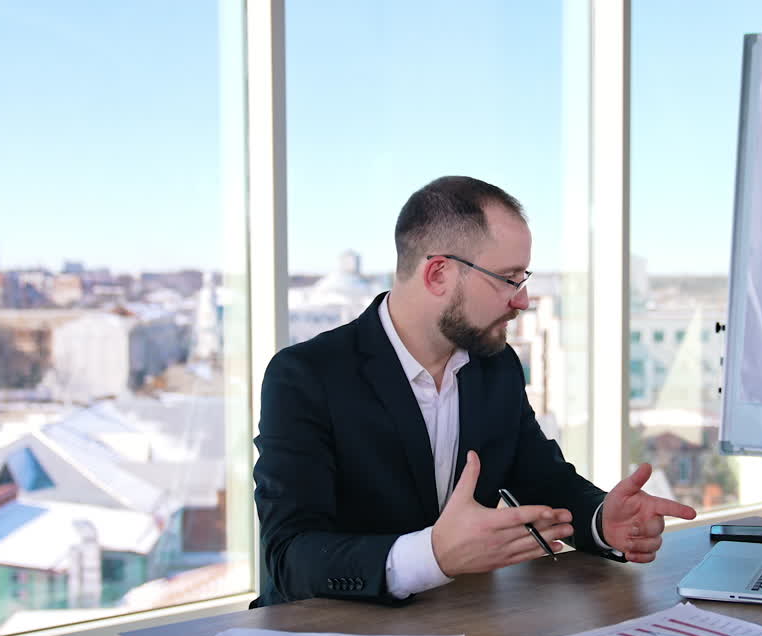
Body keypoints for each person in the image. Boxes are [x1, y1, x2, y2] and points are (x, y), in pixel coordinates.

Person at [251, 175, 696, 606]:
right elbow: (290, 556)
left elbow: (541, 478)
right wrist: (433, 556)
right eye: (508, 278)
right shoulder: (305, 377)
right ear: (438, 274)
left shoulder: (495, 365)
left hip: (460, 627)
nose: (522, 300)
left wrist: (602, 520)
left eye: (523, 278)